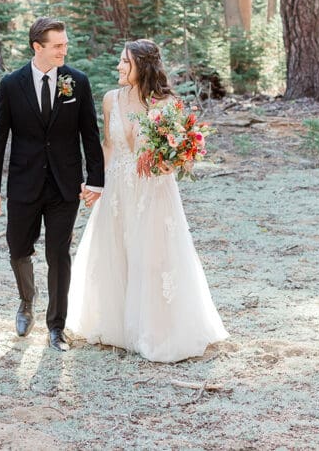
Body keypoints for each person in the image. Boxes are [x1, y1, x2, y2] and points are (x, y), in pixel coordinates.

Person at [66, 39, 227, 362]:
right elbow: (108, 146)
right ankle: (118, 328)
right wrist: (96, 182)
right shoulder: (111, 99)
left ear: (143, 66)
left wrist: (171, 162)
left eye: (125, 62)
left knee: (152, 258)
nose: (119, 68)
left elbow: (182, 155)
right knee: (115, 253)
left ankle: (155, 330)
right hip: (117, 189)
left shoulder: (163, 104)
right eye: (120, 62)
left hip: (152, 190)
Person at [0, 18, 104, 352]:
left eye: (65, 44)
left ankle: (56, 326)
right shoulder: (11, 84)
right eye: (57, 46)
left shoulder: (76, 82)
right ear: (37, 47)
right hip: (24, 182)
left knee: (58, 254)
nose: (64, 50)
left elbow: (90, 136)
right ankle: (26, 302)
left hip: (65, 186)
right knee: (18, 248)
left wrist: (96, 180)